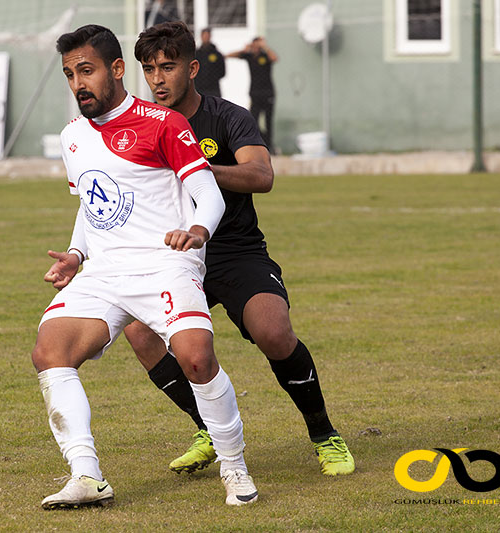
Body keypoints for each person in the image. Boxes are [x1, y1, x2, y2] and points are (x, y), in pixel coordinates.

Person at [32, 24, 258, 510]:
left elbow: (208, 195)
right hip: (105, 272)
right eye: (70, 74)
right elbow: (91, 205)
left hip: (165, 265)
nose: (77, 84)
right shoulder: (72, 137)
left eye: (86, 71)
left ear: (116, 70)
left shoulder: (163, 123)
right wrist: (77, 254)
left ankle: (234, 467)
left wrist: (198, 231)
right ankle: (87, 477)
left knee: (197, 359)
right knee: (50, 352)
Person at [131, 21, 354, 478]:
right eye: (149, 69)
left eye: (168, 67)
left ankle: (324, 433)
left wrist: (199, 169)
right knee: (139, 332)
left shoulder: (228, 116)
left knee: (273, 332)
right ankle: (207, 429)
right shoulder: (137, 126)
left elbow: (261, 176)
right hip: (172, 255)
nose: (157, 79)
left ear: (192, 69)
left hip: (234, 250)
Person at [227, 37, 277, 152]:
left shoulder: (265, 55)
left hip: (268, 93)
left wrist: (265, 47)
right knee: (253, 119)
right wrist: (243, 50)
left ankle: (270, 146)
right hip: (255, 93)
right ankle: (261, 141)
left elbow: (275, 58)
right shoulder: (249, 56)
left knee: (268, 121)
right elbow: (229, 55)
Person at [194, 28, 226, 97]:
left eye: (207, 35)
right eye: (204, 35)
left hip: (213, 89)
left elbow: (222, 72)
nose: (206, 37)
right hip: (199, 89)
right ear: (201, 36)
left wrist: (211, 78)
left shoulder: (217, 54)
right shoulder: (196, 54)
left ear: (210, 36)